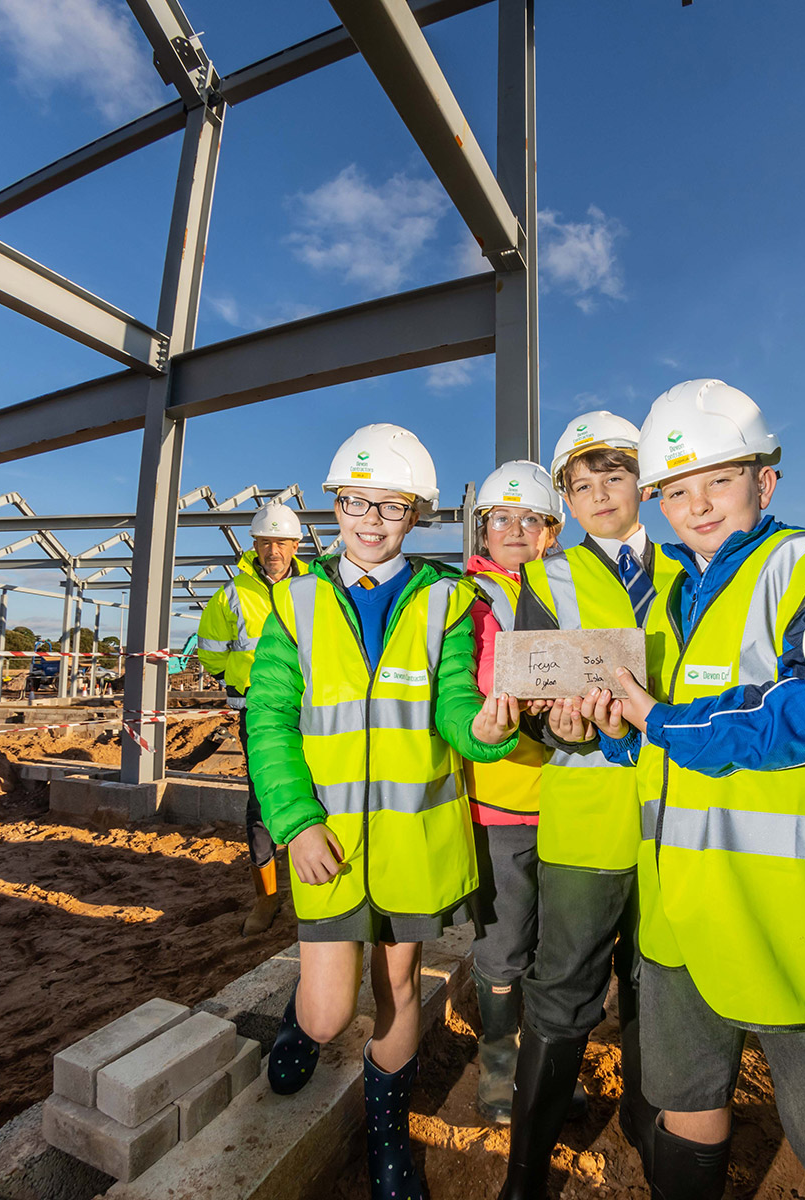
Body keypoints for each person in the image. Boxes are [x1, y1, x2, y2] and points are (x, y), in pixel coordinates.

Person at [577, 380, 805, 1199]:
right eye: (678, 490)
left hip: (791, 917)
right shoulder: (672, 599)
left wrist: (667, 721)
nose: (699, 504)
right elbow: (660, 750)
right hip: (684, 912)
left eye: (719, 479)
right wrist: (616, 733)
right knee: (688, 1106)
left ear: (767, 480)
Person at [246, 424, 522, 1199]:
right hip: (326, 842)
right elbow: (267, 719)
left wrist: (486, 733)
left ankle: (388, 1137)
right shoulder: (294, 604)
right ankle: (305, 1028)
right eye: (355, 502)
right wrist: (294, 822)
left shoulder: (444, 602)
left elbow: (457, 710)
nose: (370, 520)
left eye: (391, 507)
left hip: (413, 847)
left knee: (397, 990)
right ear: (334, 505)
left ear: (417, 515)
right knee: (332, 1010)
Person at [495, 412, 680, 1196]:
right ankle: (527, 1172)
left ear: (643, 482)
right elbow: (536, 688)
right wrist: (553, 717)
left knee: (655, 976)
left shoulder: (693, 564)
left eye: (615, 477)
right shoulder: (547, 578)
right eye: (581, 483)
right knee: (564, 982)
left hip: (681, 815)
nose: (600, 495)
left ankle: (649, 1122)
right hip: (586, 808)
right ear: (564, 499)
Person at [461, 462, 562, 1126]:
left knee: (560, 946)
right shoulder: (463, 597)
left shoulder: (577, 591)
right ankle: (499, 1068)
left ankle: (546, 1064)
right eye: (503, 518)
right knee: (504, 945)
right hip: (500, 799)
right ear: (484, 528)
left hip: (572, 795)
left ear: (553, 530)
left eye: (532, 519)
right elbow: (452, 690)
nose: (517, 531)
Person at [196, 500, 306, 935]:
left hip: (313, 709)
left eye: (281, 541)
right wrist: (244, 683)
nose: (273, 550)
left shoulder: (318, 587)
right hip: (258, 711)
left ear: (296, 544)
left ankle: (314, 888)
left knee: (324, 793)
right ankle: (267, 898)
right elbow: (211, 654)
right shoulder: (231, 595)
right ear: (254, 545)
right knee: (262, 802)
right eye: (265, 542)